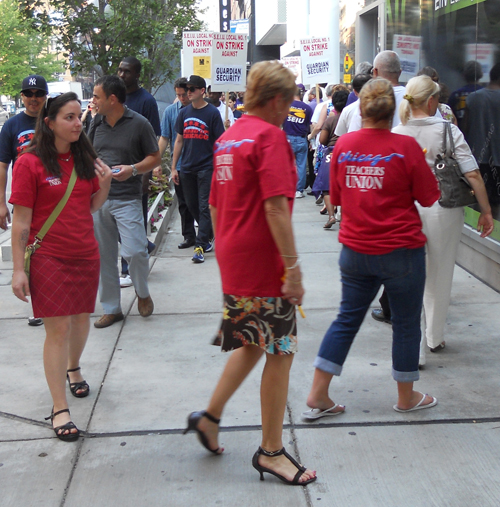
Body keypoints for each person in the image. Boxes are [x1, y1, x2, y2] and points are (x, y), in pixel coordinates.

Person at [184, 61, 316, 486]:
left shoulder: (228, 138)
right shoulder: (268, 137)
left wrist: (228, 252)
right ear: (276, 100)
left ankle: (209, 417)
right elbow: (276, 206)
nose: (290, 108)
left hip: (236, 254)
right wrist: (292, 269)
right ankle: (272, 452)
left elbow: (216, 206)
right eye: (290, 100)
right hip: (263, 260)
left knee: (254, 342)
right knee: (280, 349)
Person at [303, 78, 441, 420]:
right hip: (401, 251)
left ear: (360, 108)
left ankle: (319, 393)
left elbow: (334, 197)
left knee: (346, 319)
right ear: (393, 110)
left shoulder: (344, 146)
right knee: (407, 323)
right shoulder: (406, 148)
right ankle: (406, 397)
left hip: (355, 249)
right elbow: (429, 197)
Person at [10, 92, 113, 441]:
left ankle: (74, 368)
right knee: (58, 330)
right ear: (49, 122)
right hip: (48, 257)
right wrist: (18, 270)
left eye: (77, 117)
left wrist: (106, 184)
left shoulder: (85, 157)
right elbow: (21, 223)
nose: (76, 123)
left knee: (81, 320)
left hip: (85, 253)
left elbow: (91, 206)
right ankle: (59, 407)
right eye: (68, 117)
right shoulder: (30, 163)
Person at [394, 76, 494, 365]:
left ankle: (412, 345)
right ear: (431, 101)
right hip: (443, 208)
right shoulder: (448, 131)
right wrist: (486, 210)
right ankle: (433, 338)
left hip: (405, 210)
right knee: (439, 275)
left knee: (409, 278)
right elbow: (472, 174)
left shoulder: (397, 133)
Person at [90, 75, 161, 328]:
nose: (93, 101)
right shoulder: (95, 122)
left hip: (127, 198)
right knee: (104, 256)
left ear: (112, 99)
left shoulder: (139, 123)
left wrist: (133, 169)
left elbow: (155, 157)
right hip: (98, 200)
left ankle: (142, 292)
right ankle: (112, 309)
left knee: (135, 251)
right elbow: (87, 154)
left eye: (97, 96)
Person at [0, 74, 49, 327]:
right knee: (30, 249)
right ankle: (35, 304)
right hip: (24, 197)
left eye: (39, 94)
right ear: (22, 96)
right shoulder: (12, 125)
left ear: (45, 97)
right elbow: (2, 165)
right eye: (29, 94)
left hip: (52, 195)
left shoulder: (54, 122)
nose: (34, 99)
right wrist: (0, 202)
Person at [171, 75, 225, 264]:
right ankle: (209, 234)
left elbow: (220, 142)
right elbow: (179, 140)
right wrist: (173, 168)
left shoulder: (212, 113)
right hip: (186, 167)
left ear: (202, 91)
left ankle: (200, 245)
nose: (188, 92)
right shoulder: (184, 113)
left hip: (206, 167)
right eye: (187, 89)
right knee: (192, 205)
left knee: (204, 206)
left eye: (192, 89)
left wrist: (220, 166)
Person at [117, 56, 161, 287]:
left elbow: (153, 141)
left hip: (137, 171)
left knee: (134, 220)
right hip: (115, 172)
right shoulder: (115, 98)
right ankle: (145, 245)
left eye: (127, 71)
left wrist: (146, 175)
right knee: (114, 221)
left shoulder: (146, 101)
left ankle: (128, 270)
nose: (122, 75)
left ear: (137, 75)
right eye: (120, 70)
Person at [158, 77, 196, 249]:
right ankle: (189, 236)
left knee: (200, 202)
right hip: (180, 165)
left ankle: (205, 234)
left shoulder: (201, 110)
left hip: (199, 164)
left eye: (184, 95)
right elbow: (165, 138)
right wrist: (157, 162)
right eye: (178, 95)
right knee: (184, 203)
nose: (182, 98)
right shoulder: (170, 112)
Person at [464, 62, 500, 206]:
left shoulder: (473, 98)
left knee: (477, 203)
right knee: (496, 205)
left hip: (476, 160)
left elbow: (465, 128)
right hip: (498, 160)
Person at [312, 89, 349, 229]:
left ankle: (331, 216)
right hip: (347, 153)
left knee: (327, 187)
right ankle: (344, 217)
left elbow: (322, 140)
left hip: (331, 153)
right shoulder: (351, 117)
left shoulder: (330, 120)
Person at [348, 51, 406, 132]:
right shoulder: (411, 97)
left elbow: (353, 134)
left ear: (375, 72)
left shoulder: (368, 99)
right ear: (400, 72)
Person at [282, 88, 313, 199]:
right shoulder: (308, 108)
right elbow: (310, 125)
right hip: (301, 139)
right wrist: (311, 140)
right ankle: (299, 190)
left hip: (287, 138)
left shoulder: (285, 106)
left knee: (286, 165)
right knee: (301, 166)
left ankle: (287, 188)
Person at [448, 60, 483, 133]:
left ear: (464, 75)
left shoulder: (455, 95)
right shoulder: (485, 94)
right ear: (480, 74)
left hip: (461, 136)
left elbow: (449, 118)